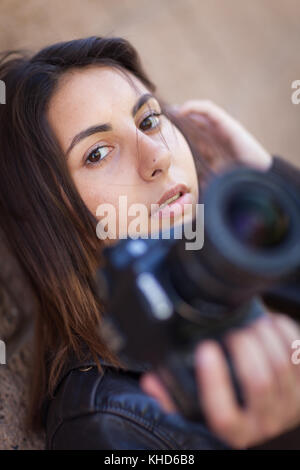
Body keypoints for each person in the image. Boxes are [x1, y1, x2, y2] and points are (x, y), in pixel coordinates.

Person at [0, 35, 300, 450]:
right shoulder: (108, 427)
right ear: (50, 222)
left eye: (148, 121)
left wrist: (275, 188)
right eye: (98, 153)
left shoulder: (256, 272)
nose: (156, 155)